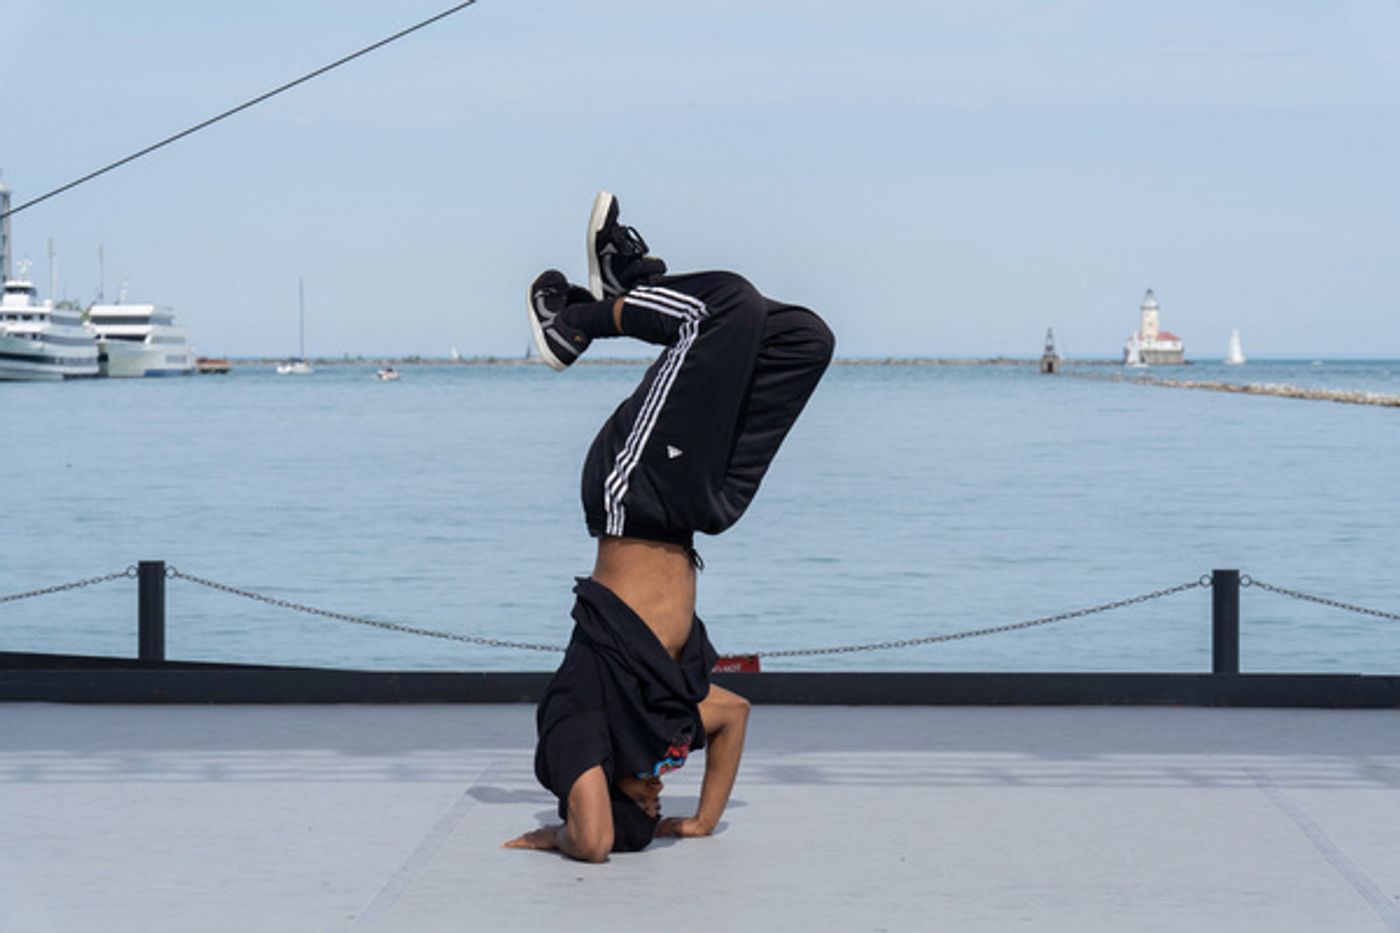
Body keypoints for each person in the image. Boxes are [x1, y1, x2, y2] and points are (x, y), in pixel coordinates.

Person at [504, 192, 834, 862]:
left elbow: (594, 841)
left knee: (724, 306)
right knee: (804, 340)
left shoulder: (578, 723)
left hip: (633, 493)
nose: (658, 792)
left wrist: (560, 832)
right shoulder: (661, 724)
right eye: (659, 795)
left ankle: (576, 320)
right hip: (693, 511)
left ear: (600, 787)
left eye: (645, 796)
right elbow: (734, 715)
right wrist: (702, 820)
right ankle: (641, 291)